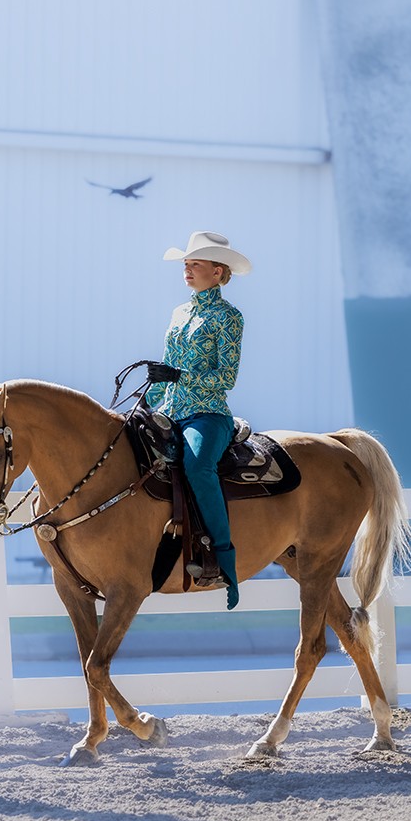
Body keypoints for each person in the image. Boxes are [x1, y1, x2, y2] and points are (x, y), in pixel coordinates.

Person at [144, 231, 250, 609]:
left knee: (198, 465)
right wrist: (145, 401)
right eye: (186, 264)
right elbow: (167, 367)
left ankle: (224, 558)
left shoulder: (229, 317)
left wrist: (180, 378)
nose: (187, 269)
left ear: (218, 272)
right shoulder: (179, 313)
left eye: (196, 264)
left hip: (207, 413)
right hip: (168, 409)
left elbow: (227, 377)